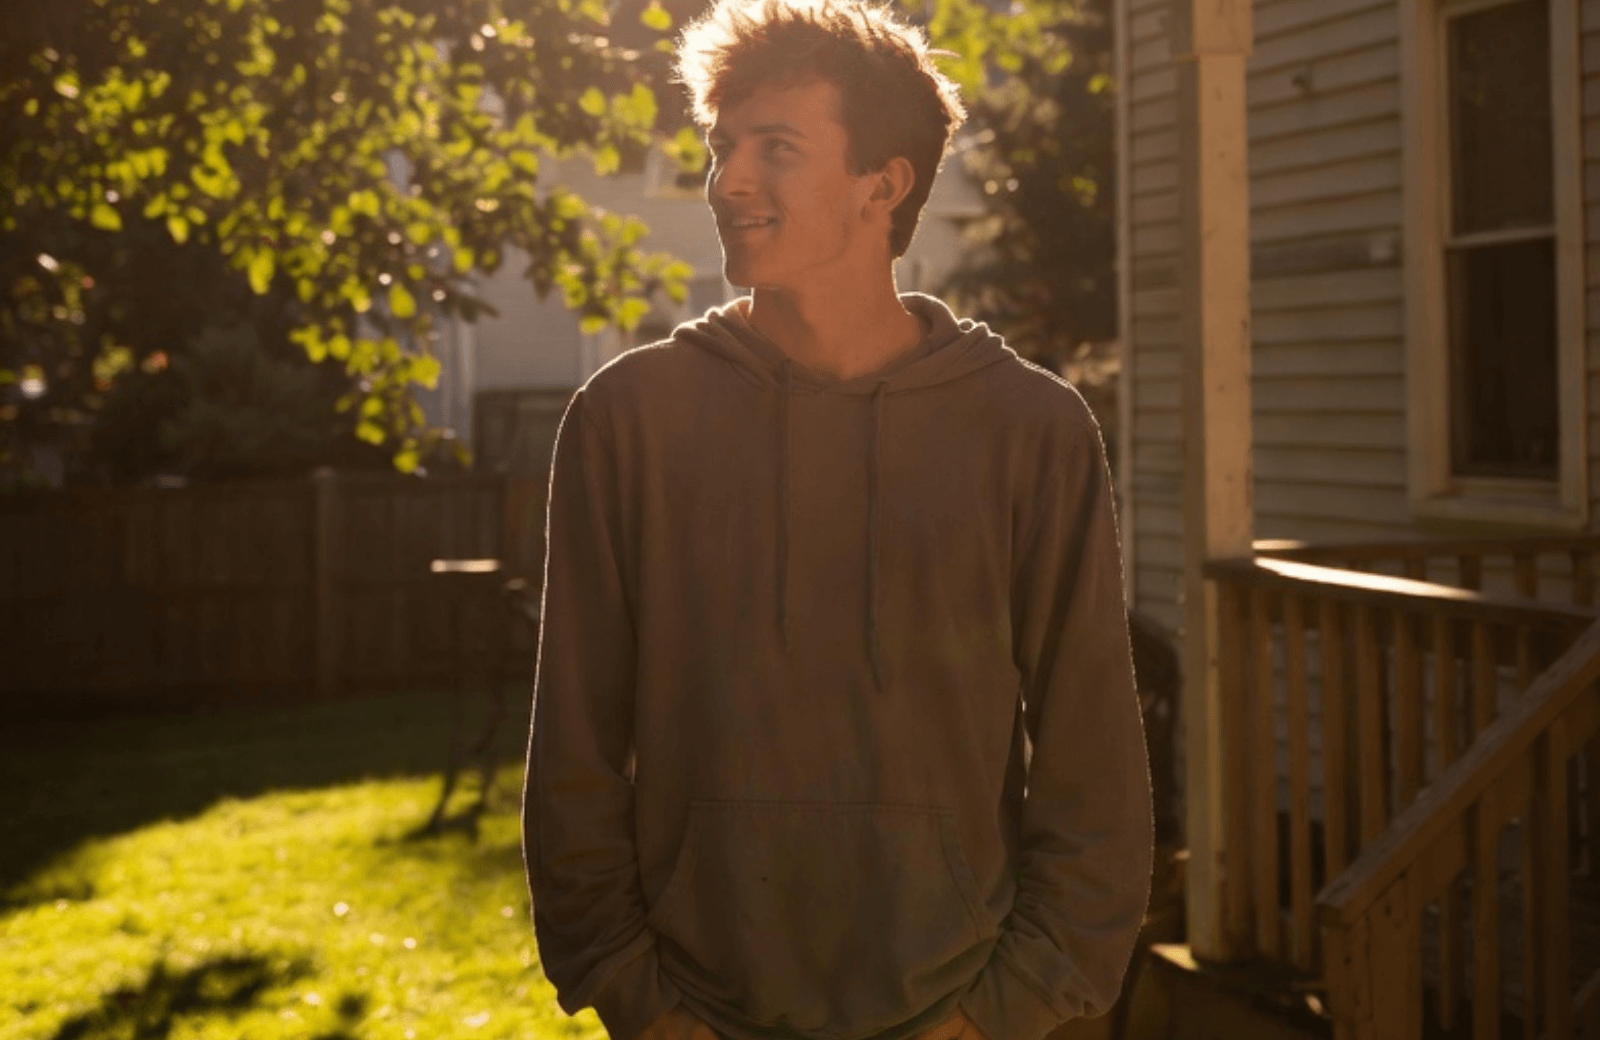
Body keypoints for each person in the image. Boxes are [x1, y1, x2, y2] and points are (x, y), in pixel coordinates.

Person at [522, 1, 1154, 1039]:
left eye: (776, 147)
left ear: (883, 181)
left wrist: (1003, 1011)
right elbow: (573, 762)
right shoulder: (627, 422)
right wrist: (641, 1002)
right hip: (698, 1015)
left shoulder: (1030, 429)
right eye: (723, 145)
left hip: (955, 1011)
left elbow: (1095, 774)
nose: (727, 179)